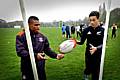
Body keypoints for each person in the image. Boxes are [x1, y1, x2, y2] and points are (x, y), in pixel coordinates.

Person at [16, 16, 64, 80]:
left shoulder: (42, 36)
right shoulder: (21, 36)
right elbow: (20, 52)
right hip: (27, 67)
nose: (38, 27)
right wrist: (35, 56)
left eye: (39, 25)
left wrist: (56, 55)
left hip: (40, 67)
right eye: (35, 25)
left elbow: (47, 49)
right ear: (28, 25)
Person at [77, 11, 104, 80]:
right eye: (90, 20)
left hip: (98, 54)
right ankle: (86, 75)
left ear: (98, 19)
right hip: (88, 54)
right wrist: (74, 42)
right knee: (88, 68)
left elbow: (104, 43)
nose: (92, 22)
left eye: (94, 20)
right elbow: (81, 42)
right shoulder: (86, 30)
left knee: (96, 72)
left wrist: (96, 48)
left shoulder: (103, 30)